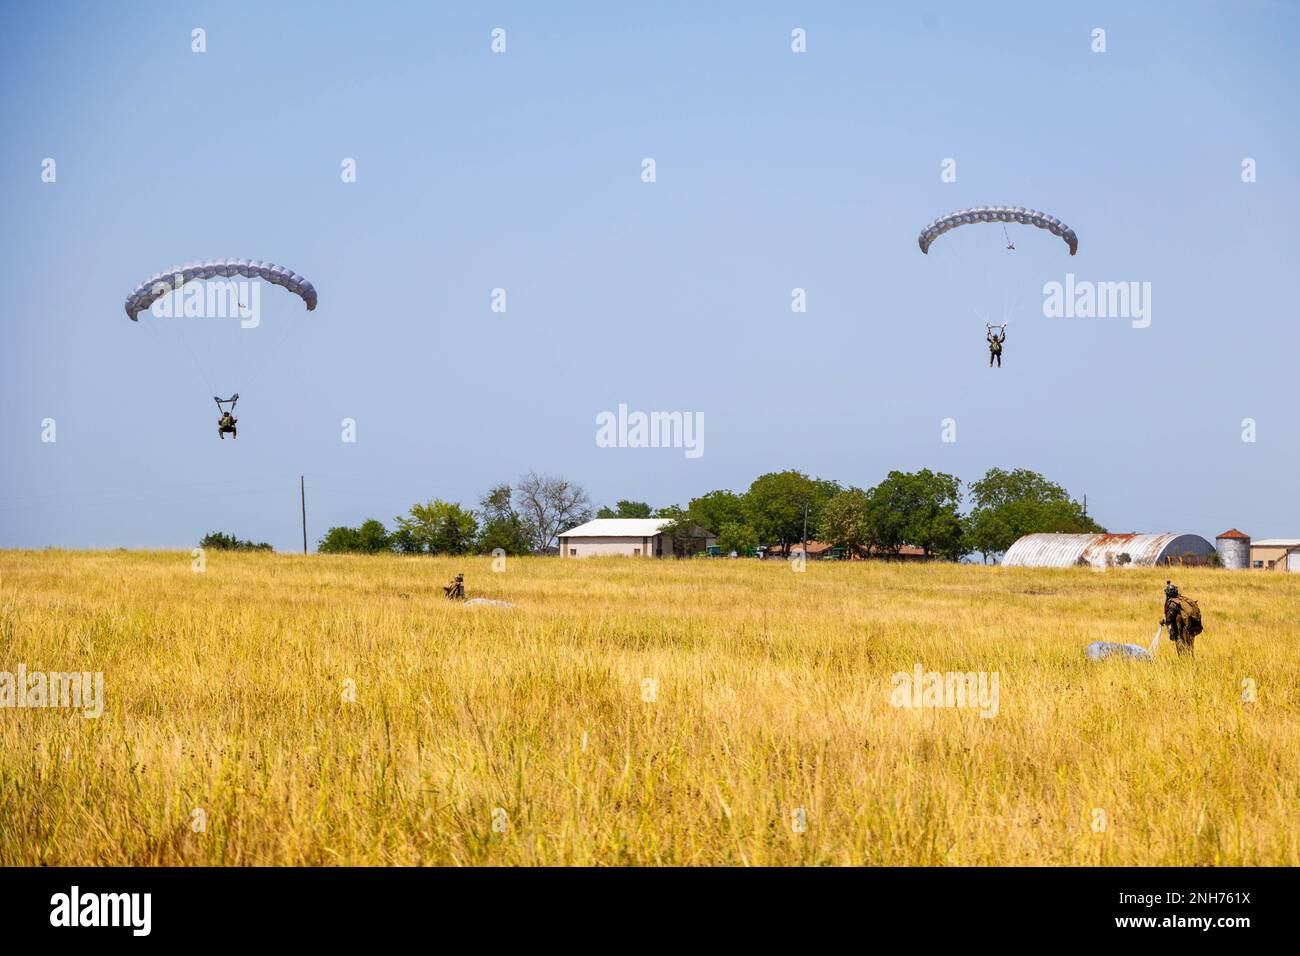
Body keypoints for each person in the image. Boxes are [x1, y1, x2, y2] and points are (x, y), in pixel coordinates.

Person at [1162, 580, 1203, 657]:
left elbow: (1168, 620)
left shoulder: (1172, 604)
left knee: (1181, 652)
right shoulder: (1182, 600)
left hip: (1181, 632)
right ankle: (1190, 666)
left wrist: (1163, 621)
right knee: (1190, 650)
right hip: (1190, 629)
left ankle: (1184, 666)